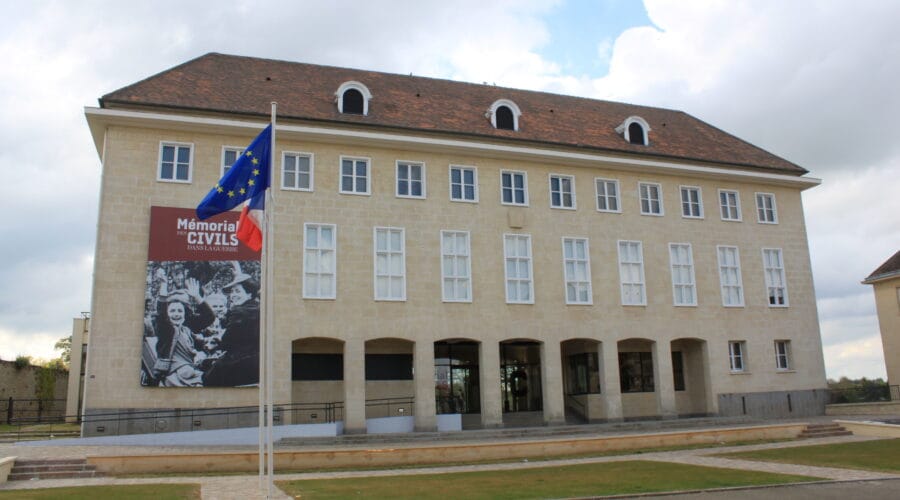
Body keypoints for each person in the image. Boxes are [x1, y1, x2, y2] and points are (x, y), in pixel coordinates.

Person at [203, 273, 260, 387]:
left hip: (240, 361)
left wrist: (216, 342)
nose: (233, 295)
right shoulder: (257, 308)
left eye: (238, 291)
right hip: (257, 360)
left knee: (207, 379)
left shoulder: (240, 312)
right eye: (232, 292)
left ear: (249, 294)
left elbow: (227, 341)